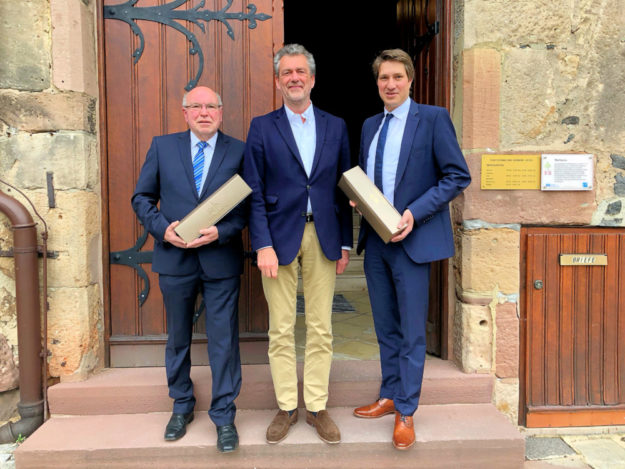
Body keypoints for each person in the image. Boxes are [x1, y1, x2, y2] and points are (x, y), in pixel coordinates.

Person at [351, 49, 471, 450]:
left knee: (411, 331)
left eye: (397, 77)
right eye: (384, 78)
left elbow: (457, 175)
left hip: (412, 241)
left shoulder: (433, 119)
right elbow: (374, 177)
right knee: (384, 325)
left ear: (410, 80)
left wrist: (413, 213)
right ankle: (388, 394)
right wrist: (360, 197)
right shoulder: (370, 124)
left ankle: (406, 408)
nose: (390, 84)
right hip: (377, 240)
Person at [243, 44, 352, 445]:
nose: (294, 78)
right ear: (277, 81)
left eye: (300, 71)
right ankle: (287, 405)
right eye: (286, 72)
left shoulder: (335, 125)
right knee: (281, 328)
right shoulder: (262, 126)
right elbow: (254, 191)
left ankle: (317, 407)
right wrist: (262, 245)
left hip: (323, 234)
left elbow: (343, 188)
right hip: (278, 237)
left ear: (312, 78)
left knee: (321, 327)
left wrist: (344, 242)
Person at [131, 86, 246, 453]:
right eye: (195, 106)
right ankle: (181, 405)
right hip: (175, 257)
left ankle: (224, 416)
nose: (203, 112)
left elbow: (247, 207)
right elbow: (142, 198)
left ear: (221, 112)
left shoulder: (240, 151)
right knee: (178, 337)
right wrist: (162, 228)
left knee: (224, 341)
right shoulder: (162, 147)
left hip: (221, 259)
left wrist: (222, 231)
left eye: (211, 105)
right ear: (184, 113)